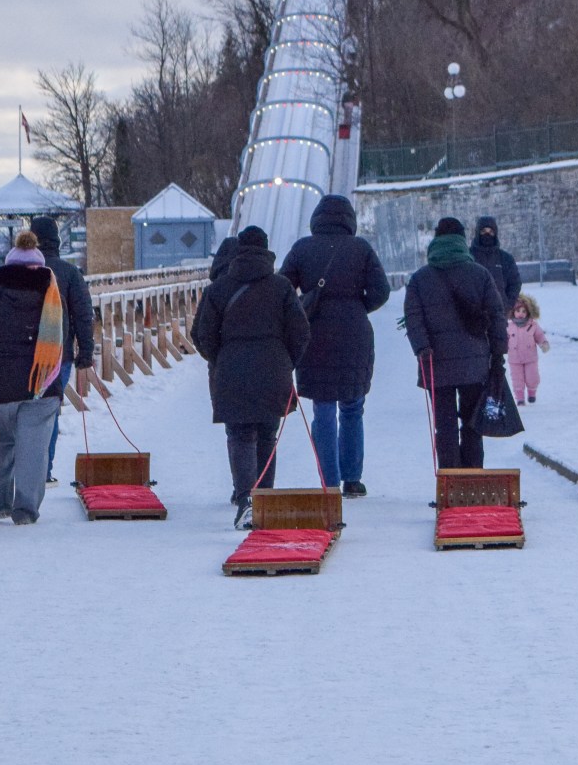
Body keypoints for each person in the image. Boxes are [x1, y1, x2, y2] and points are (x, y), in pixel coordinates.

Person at [192, 224, 310, 529]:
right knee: (267, 436)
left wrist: (222, 359)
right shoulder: (282, 287)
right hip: (274, 370)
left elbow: (202, 335)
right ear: (267, 250)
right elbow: (301, 331)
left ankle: (246, 501)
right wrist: (287, 361)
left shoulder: (217, 289)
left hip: (232, 371)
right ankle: (266, 500)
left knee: (240, 435)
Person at [279, 194, 389, 497]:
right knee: (353, 406)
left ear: (317, 218)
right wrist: (357, 307)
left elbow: (282, 287)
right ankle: (353, 477)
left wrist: (305, 305)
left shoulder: (302, 248)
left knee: (323, 409)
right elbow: (381, 290)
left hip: (314, 333)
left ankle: (329, 481)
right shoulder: (361, 249)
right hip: (355, 333)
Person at [0, 229, 66, 525]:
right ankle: (25, 510)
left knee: (0, 446)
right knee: (34, 451)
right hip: (41, 388)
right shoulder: (52, 299)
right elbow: (61, 343)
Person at [403, 216, 507, 470]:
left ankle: (450, 478)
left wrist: (422, 347)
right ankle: (472, 477)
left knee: (445, 426)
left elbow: (413, 318)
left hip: (435, 363)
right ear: (462, 241)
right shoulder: (480, 275)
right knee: (472, 424)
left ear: (436, 240)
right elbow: (496, 316)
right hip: (475, 362)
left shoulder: (420, 279)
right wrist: (498, 353)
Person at [32, 214, 95, 484]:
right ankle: (44, 470)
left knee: (27, 410)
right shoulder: (70, 274)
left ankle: (27, 469)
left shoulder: (23, 271)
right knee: (49, 409)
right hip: (61, 354)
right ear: (57, 241)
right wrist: (86, 355)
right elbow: (83, 315)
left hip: (26, 355)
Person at [470, 215, 522, 315]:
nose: (487, 234)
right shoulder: (468, 257)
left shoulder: (506, 258)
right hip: (473, 315)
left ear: (495, 233)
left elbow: (515, 283)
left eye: (491, 232)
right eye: (483, 231)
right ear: (477, 233)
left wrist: (507, 304)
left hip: (499, 314)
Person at [507, 293, 550, 405]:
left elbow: (539, 335)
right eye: (518, 311)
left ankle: (532, 392)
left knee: (532, 377)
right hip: (514, 359)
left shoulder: (532, 325)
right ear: (513, 312)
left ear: (528, 312)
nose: (520, 314)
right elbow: (504, 339)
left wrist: (543, 343)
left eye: (524, 311)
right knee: (517, 379)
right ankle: (520, 398)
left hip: (530, 358)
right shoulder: (509, 326)